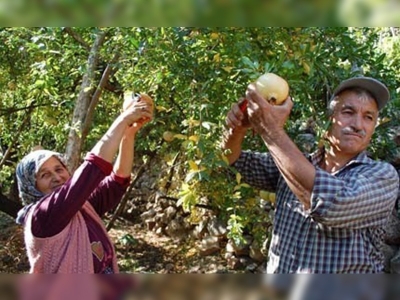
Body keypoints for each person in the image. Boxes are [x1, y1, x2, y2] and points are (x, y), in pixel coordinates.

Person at [222, 76, 399, 275]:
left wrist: (270, 129)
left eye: (368, 117)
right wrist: (236, 129)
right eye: (348, 112)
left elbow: (329, 204)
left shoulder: (382, 176)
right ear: (330, 118)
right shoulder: (293, 164)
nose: (358, 124)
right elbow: (232, 163)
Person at [15, 92, 153, 274]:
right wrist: (123, 118)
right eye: (44, 175)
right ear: (31, 186)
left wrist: (128, 133)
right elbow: (92, 169)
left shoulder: (81, 208)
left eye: (59, 169)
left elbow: (117, 180)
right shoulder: (42, 216)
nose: (56, 177)